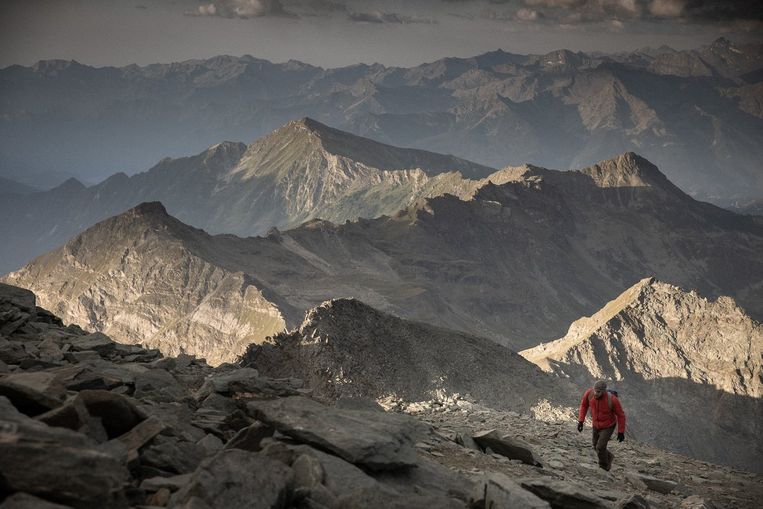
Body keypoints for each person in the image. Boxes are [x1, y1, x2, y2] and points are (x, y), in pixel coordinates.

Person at [577, 380, 626, 471]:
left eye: (598, 392)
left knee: (600, 447)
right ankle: (609, 456)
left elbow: (621, 415)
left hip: (608, 426)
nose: (596, 393)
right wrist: (581, 421)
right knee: (596, 446)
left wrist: (621, 432)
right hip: (596, 425)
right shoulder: (589, 393)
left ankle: (604, 467)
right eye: (595, 390)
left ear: (604, 391)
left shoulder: (612, 400)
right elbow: (584, 406)